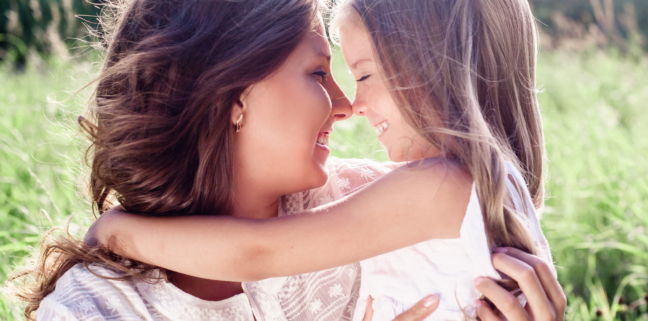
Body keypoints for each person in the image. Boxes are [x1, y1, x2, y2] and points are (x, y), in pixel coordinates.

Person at [17, 0, 565, 320]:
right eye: (318, 73)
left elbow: (255, 254)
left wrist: (119, 232)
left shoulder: (388, 202)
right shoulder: (97, 306)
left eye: (359, 73)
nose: (349, 105)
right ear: (232, 95)